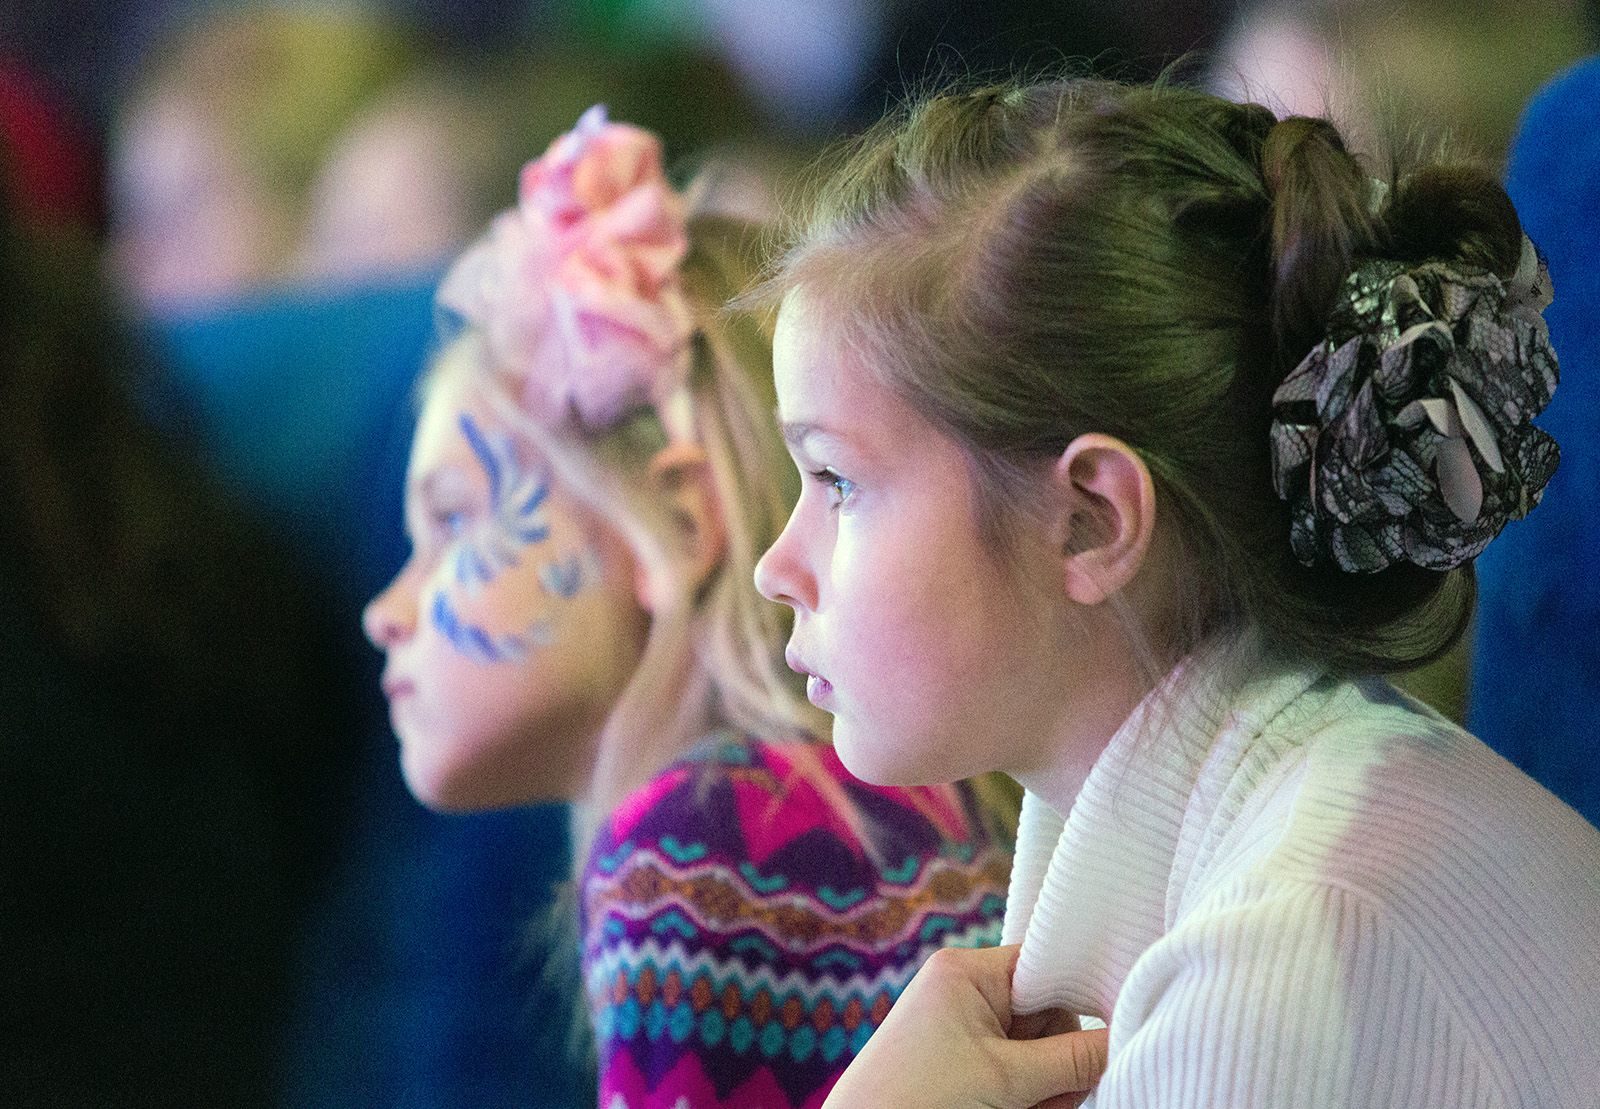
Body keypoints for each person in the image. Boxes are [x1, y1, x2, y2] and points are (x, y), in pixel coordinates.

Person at [750, 78, 1600, 1107]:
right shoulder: (1283, 814)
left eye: (837, 480)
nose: (777, 564)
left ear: (1091, 519)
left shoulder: (1279, 947)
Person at [361, 106, 1016, 1109]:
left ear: (669, 520)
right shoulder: (892, 795)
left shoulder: (697, 845)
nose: (387, 609)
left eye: (452, 521)